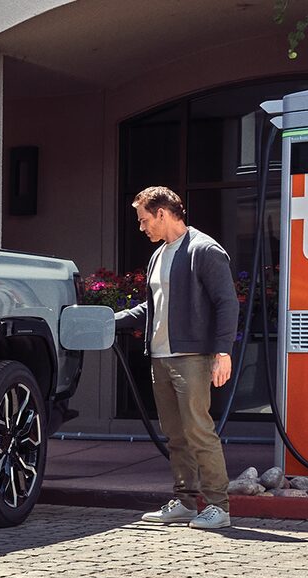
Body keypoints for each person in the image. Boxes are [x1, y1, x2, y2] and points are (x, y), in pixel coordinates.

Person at [114, 186, 240, 529]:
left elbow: (227, 303)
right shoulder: (159, 256)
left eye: (143, 220)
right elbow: (151, 308)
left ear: (162, 213)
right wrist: (111, 321)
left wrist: (223, 352)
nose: (142, 228)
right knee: (175, 435)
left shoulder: (204, 250)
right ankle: (185, 502)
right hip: (160, 358)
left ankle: (218, 506)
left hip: (192, 358)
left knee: (199, 431)